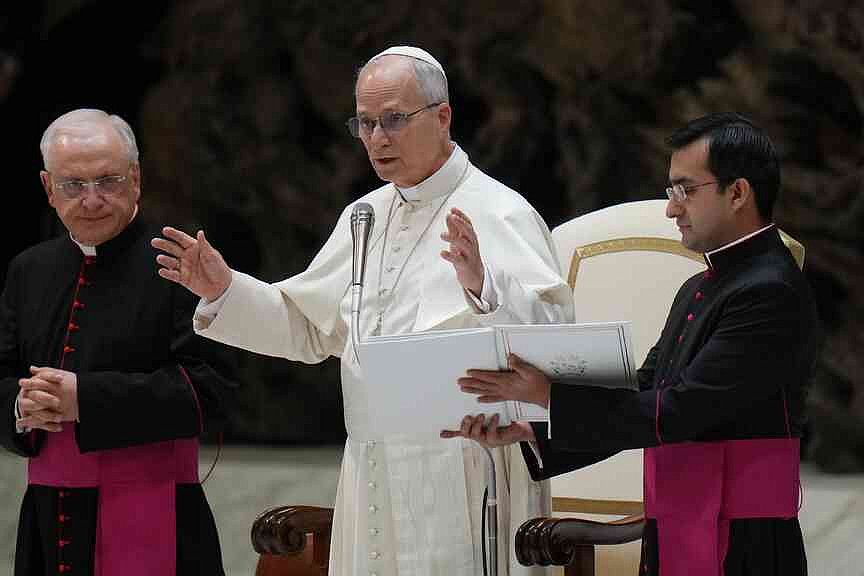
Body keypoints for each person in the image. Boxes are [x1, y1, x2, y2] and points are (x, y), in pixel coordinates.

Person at [152, 46, 574, 575]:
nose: (377, 139)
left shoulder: (500, 210)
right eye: (366, 123)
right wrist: (225, 289)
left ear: (443, 116)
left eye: (394, 120)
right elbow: (308, 329)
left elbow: (554, 342)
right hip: (371, 467)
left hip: (464, 469)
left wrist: (485, 286)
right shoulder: (364, 216)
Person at [445, 113, 817, 576]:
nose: (671, 209)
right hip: (681, 517)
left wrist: (548, 396)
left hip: (744, 540)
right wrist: (534, 427)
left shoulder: (769, 290)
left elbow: (681, 410)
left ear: (738, 192)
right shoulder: (701, 285)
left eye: (685, 190)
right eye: (670, 193)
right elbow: (646, 388)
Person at [0, 109, 233, 576]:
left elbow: (211, 391)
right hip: (48, 518)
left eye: (108, 181)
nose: (92, 200)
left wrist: (83, 398)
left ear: (136, 179)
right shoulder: (29, 270)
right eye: (73, 185)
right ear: (48, 187)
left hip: (158, 515)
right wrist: (22, 407)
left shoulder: (182, 264)